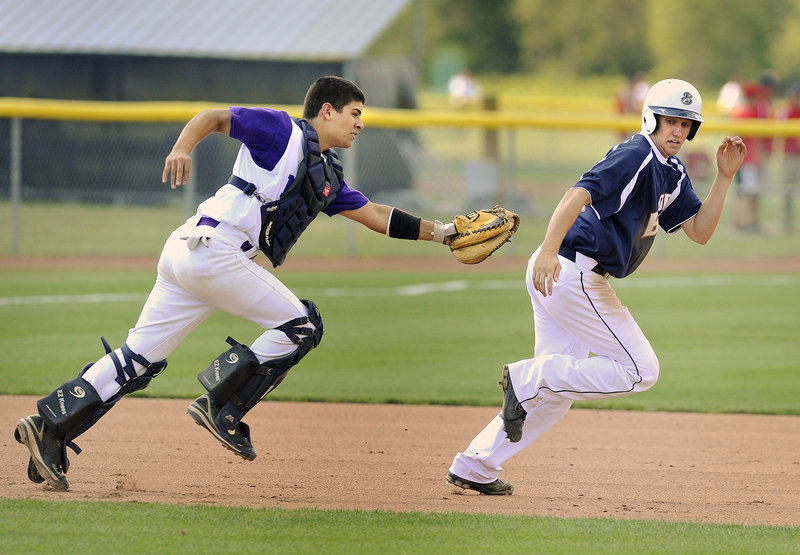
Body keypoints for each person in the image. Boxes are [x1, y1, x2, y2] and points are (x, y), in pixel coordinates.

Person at [15, 75, 462, 492]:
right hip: (214, 251)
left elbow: (377, 216)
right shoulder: (280, 130)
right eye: (355, 113)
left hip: (192, 252)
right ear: (327, 111)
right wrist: (182, 148)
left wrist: (444, 233)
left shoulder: (324, 173)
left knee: (138, 360)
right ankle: (221, 406)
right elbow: (213, 117)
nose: (360, 123)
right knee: (302, 325)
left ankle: (49, 428)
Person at [445, 79, 746, 495]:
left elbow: (700, 231)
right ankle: (526, 377)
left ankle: (475, 464)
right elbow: (576, 196)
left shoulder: (670, 170)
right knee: (641, 370)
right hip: (571, 273)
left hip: (569, 275)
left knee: (554, 395)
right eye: (670, 120)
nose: (677, 130)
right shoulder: (637, 154)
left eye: (685, 123)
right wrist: (548, 251)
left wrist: (725, 177)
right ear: (651, 118)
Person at [732, 82, 771, 233]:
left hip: (754, 161)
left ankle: (753, 223)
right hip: (746, 161)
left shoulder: (756, 112)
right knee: (745, 194)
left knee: (753, 194)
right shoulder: (744, 112)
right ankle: (742, 224)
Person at [775, 82, 800, 232]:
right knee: (786, 192)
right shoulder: (784, 112)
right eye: (793, 95)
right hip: (789, 156)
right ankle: (785, 225)